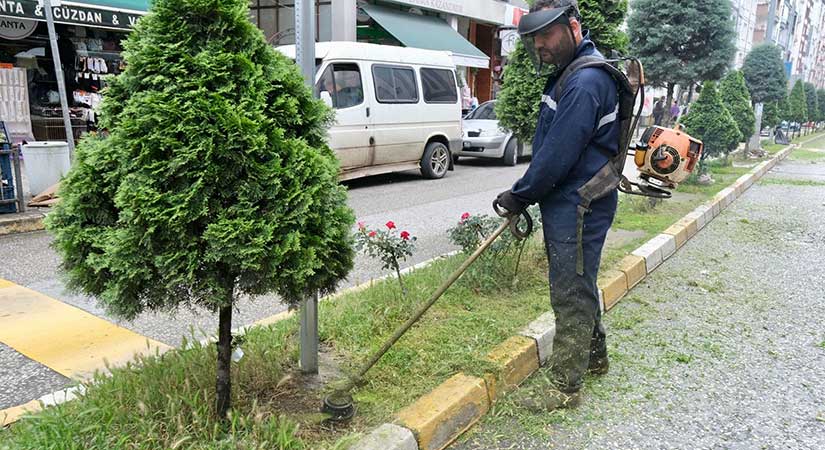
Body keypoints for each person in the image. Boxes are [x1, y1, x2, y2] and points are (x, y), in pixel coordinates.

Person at [495, 0, 618, 412]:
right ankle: (595, 358)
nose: (539, 45)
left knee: (569, 290)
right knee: (580, 281)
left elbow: (556, 156)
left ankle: (564, 386)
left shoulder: (584, 83)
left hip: (579, 204)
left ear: (573, 27)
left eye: (546, 34)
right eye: (533, 38)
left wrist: (519, 194)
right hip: (573, 199)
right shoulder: (572, 73)